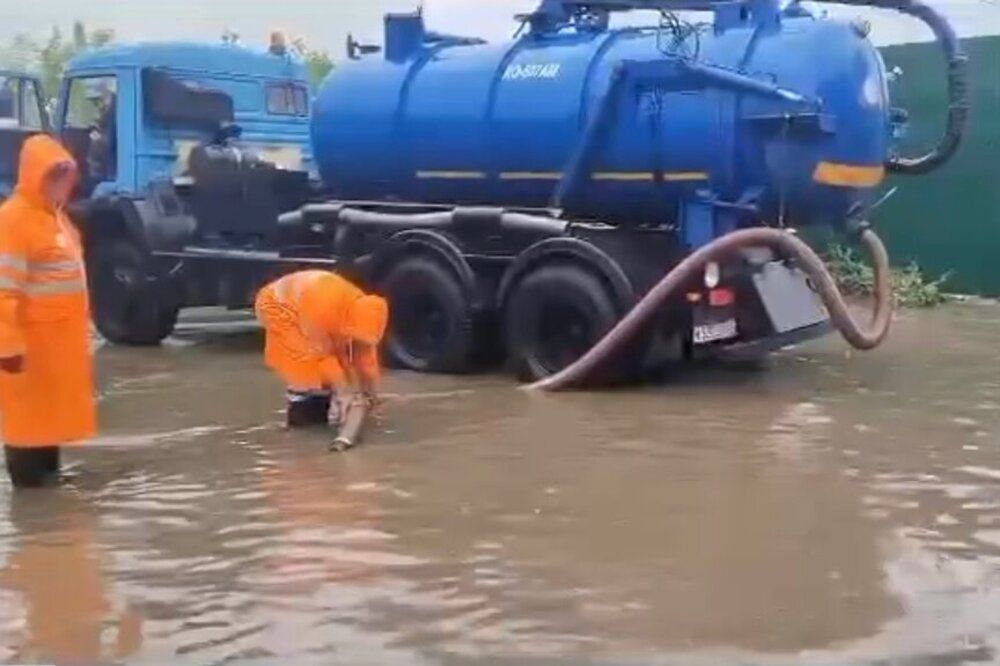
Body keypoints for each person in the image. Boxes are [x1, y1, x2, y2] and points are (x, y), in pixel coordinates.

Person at [0, 135, 95, 488]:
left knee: (47, 432)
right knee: (27, 434)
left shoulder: (57, 221)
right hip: (27, 353)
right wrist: (7, 348)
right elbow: (3, 291)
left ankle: (50, 529)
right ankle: (33, 522)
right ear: (33, 175)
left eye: (64, 176)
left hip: (56, 352)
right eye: (52, 176)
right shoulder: (13, 221)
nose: (59, 185)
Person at [255, 270, 389, 428]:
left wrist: (371, 394)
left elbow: (365, 358)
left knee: (338, 362)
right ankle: (302, 416)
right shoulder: (322, 310)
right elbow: (321, 355)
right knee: (304, 362)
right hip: (276, 305)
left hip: (314, 306)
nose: (359, 341)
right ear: (349, 321)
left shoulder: (363, 307)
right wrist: (343, 392)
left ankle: (330, 407)